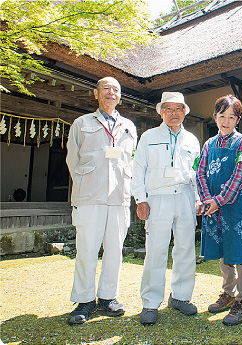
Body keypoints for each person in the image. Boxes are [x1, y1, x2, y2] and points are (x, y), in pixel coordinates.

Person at [66, 77, 137, 325]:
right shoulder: (82, 123)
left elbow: (131, 161)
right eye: (105, 89)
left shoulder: (129, 126)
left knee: (115, 250)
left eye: (115, 90)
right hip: (89, 197)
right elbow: (72, 160)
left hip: (119, 197)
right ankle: (84, 300)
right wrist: (87, 182)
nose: (111, 93)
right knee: (86, 250)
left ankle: (108, 297)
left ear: (120, 96)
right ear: (96, 94)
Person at [131, 92, 201, 325]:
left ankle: (180, 297)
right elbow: (138, 168)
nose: (174, 113)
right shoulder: (149, 137)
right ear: (161, 112)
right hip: (158, 198)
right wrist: (141, 199)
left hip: (185, 196)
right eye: (168, 109)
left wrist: (199, 198)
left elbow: (198, 173)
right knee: (156, 250)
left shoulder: (192, 140)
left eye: (178, 109)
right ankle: (150, 302)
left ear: (185, 112)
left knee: (185, 249)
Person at [196, 95, 242, 326]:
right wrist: (206, 199)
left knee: (241, 253)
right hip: (214, 207)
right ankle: (228, 293)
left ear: (238, 120)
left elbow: (241, 173)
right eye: (222, 116)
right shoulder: (209, 144)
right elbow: (200, 172)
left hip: (236, 207)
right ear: (215, 117)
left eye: (232, 117)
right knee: (224, 252)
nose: (226, 121)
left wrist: (219, 200)